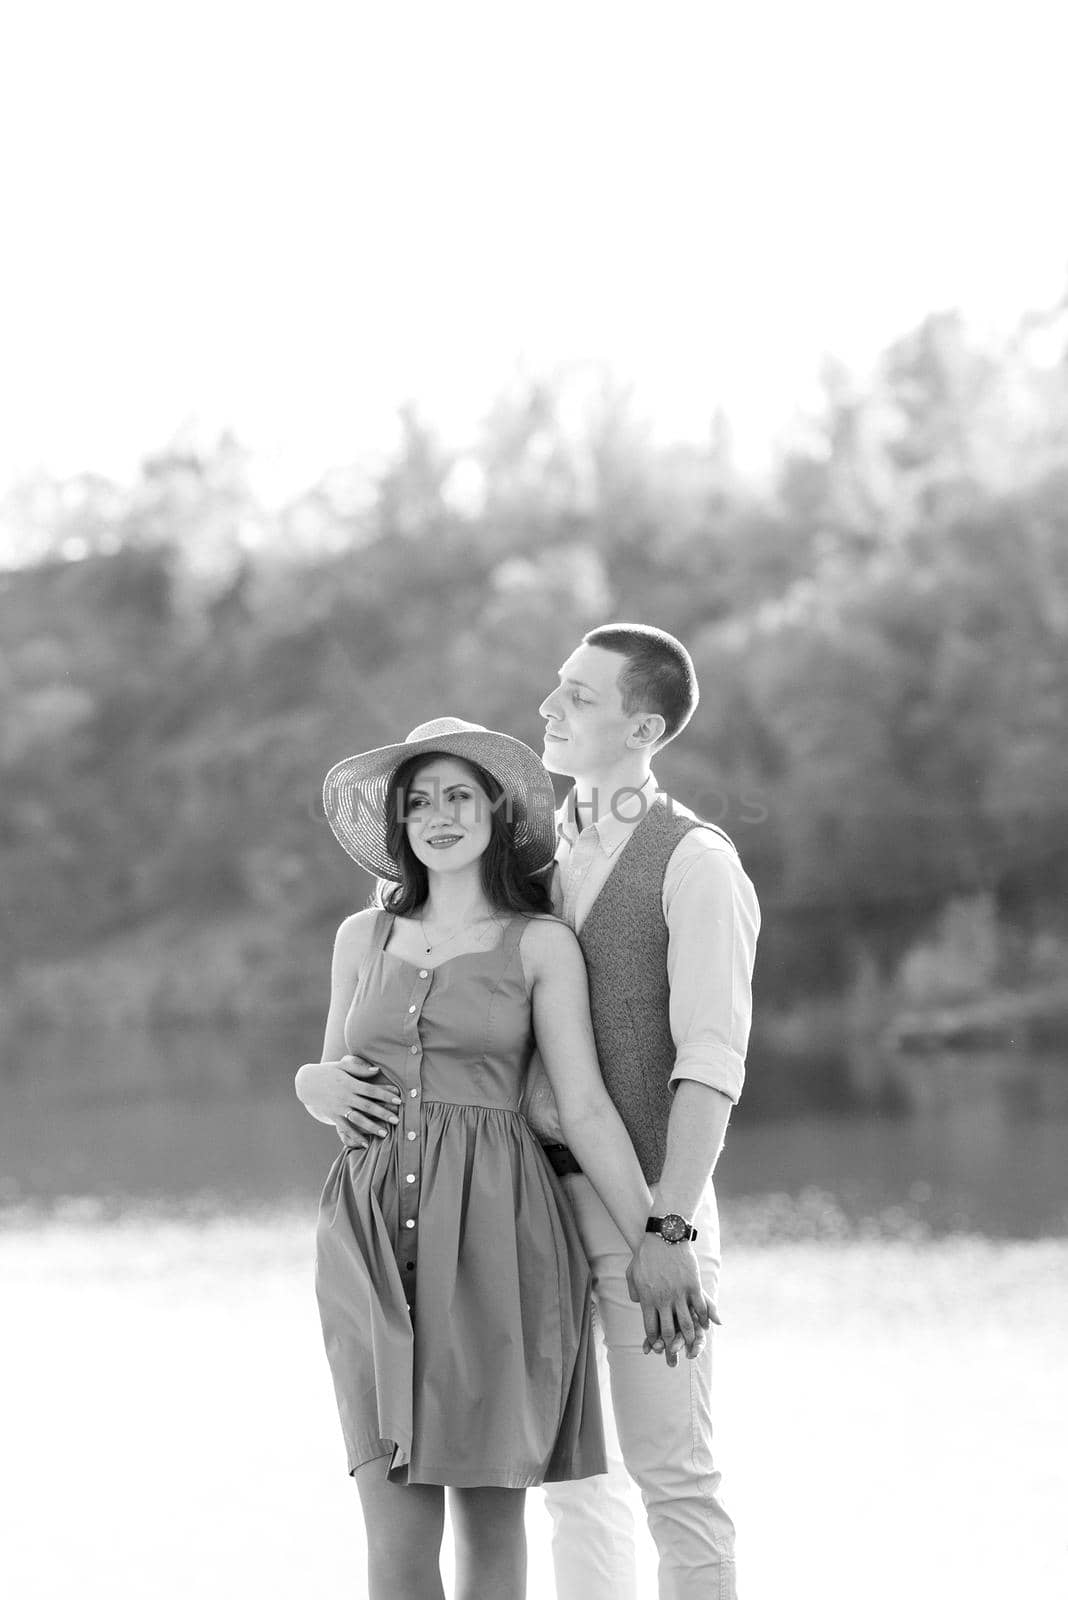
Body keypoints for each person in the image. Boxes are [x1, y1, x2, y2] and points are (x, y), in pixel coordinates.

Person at [340, 628, 760, 1600]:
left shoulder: (694, 860)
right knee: (575, 1489)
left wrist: (668, 1224)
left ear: (643, 726)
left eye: (578, 697)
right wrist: (320, 1080)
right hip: (519, 1220)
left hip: (645, 1210)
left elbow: (710, 1065)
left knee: (676, 1478)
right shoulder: (536, 856)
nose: (549, 709)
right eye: (557, 690)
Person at [294, 717, 683, 1600]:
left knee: (489, 1519)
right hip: (364, 1239)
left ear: (494, 812)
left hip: (496, 1237)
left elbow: (581, 1106)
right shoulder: (362, 940)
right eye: (419, 801)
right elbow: (336, 1076)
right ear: (399, 824)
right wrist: (308, 1083)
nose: (438, 815)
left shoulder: (539, 943)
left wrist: (660, 1234)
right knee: (390, 1519)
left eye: (458, 796)